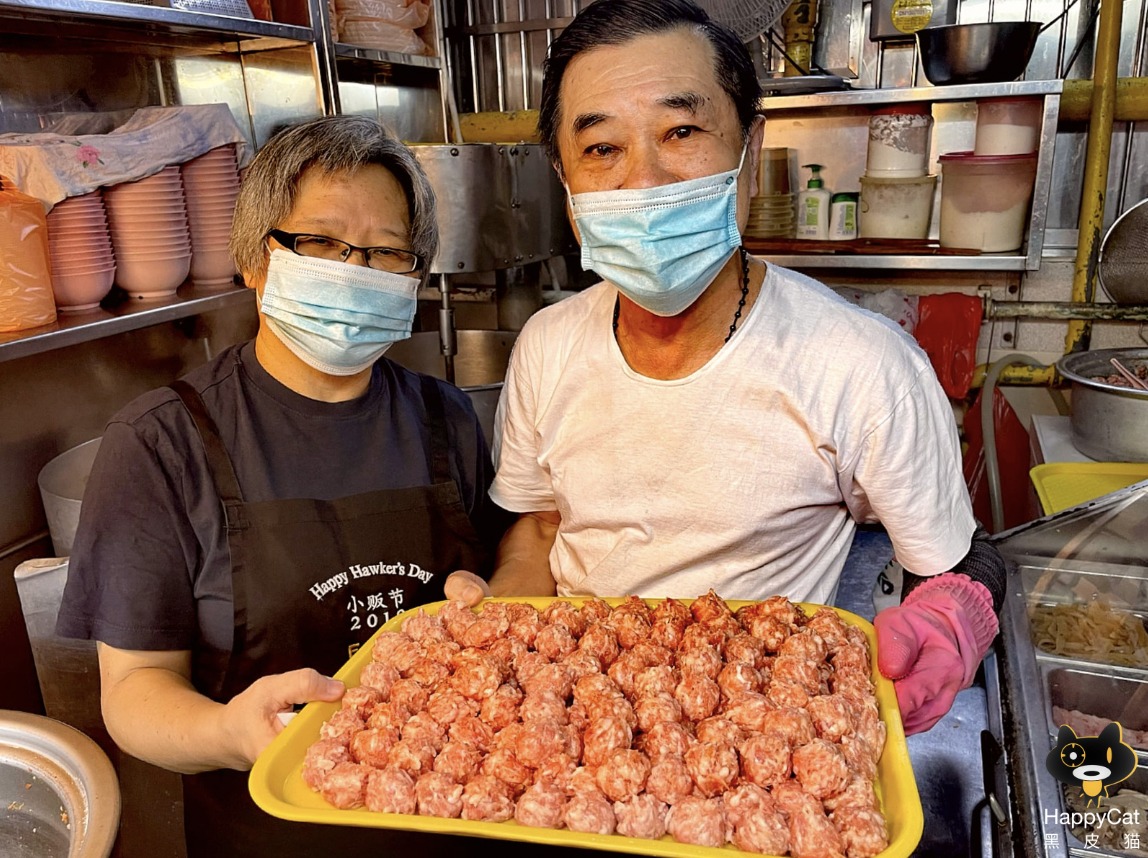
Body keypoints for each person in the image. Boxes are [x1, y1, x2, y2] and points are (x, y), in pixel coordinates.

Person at [445, 0, 1006, 736]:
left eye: (681, 131)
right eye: (601, 149)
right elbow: (540, 528)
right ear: (564, 180)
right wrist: (506, 621)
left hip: (760, 733)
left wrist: (949, 622)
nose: (643, 182)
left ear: (750, 146)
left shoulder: (863, 364)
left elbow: (960, 561)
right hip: (582, 726)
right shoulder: (548, 345)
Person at [56, 116, 510, 857]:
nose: (355, 269)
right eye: (322, 243)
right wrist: (229, 733)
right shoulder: (162, 442)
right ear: (255, 261)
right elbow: (135, 690)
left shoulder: (447, 416)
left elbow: (494, 592)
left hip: (448, 820)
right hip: (267, 831)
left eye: (387, 252)